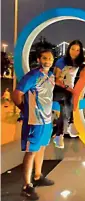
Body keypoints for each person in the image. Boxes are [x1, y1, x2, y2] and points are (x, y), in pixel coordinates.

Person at [12, 49, 56, 200]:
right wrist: (24, 110)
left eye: (50, 58)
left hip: (47, 120)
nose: (48, 61)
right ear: (38, 59)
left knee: (42, 148)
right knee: (31, 151)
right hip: (35, 121)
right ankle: (27, 186)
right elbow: (16, 94)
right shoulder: (32, 76)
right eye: (45, 58)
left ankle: (38, 176)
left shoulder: (50, 76)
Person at [53, 40, 85, 148]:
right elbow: (56, 79)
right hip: (56, 89)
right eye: (72, 49)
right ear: (68, 49)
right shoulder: (62, 61)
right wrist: (68, 88)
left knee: (64, 108)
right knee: (69, 96)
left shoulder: (79, 61)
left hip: (68, 91)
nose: (75, 52)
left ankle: (59, 135)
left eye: (78, 50)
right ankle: (72, 124)